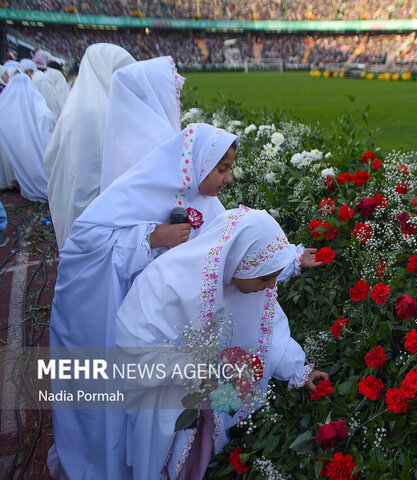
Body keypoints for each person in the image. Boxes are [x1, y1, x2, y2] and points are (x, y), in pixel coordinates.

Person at [48, 123, 238, 480]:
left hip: (166, 326)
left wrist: (286, 260)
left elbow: (229, 249)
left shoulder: (210, 205)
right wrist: (150, 238)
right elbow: (85, 244)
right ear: (198, 164)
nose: (228, 179)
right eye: (222, 169)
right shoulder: (141, 191)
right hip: (120, 319)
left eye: (229, 169)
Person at [115, 207, 327, 479]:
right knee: (165, 457)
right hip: (165, 399)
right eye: (265, 277)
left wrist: (299, 369)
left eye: (275, 276)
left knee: (205, 451)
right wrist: (188, 369)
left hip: (210, 402)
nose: (271, 285)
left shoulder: (247, 284)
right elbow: (133, 346)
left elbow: (268, 331)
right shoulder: (167, 281)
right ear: (236, 260)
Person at [43, 43, 136, 250]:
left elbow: (50, 158)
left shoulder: (76, 108)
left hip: (76, 205)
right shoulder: (97, 113)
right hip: (93, 210)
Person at [100, 55, 185, 191]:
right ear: (156, 95)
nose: (179, 104)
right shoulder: (161, 143)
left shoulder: (123, 137)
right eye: (174, 95)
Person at [0, 72, 52, 202]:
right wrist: (44, 131)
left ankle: (29, 188)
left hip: (17, 142)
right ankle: (45, 188)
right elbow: (46, 115)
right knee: (38, 163)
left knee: (23, 165)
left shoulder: (5, 100)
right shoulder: (32, 95)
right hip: (35, 139)